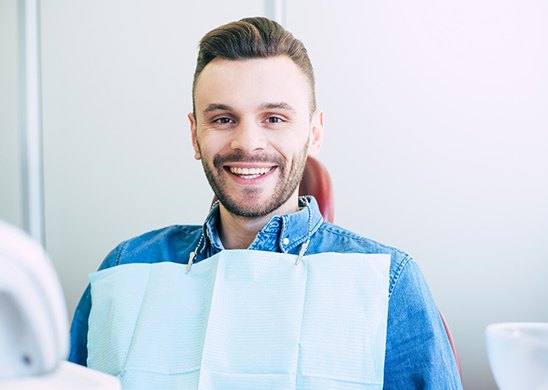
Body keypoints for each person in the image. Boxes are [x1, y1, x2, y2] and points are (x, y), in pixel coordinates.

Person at [69, 17, 462, 389]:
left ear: (314, 132)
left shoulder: (388, 282)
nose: (248, 143)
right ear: (195, 135)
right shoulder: (126, 270)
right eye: (223, 119)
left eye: (274, 118)